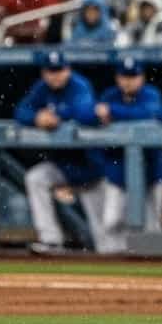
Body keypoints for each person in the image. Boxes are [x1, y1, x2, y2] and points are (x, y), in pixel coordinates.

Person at [14, 50, 107, 254]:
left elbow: (85, 113)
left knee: (107, 242)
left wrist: (56, 115)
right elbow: (21, 111)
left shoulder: (79, 85)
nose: (55, 75)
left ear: (68, 70)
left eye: (60, 70)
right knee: (35, 178)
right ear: (44, 73)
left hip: (93, 169)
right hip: (65, 167)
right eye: (51, 71)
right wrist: (36, 117)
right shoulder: (42, 89)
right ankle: (51, 239)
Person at [93, 57, 162, 247]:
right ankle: (113, 267)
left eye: (133, 76)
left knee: (152, 227)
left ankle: (154, 269)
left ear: (141, 78)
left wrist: (112, 112)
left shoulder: (151, 94)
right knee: (110, 223)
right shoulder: (109, 95)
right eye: (124, 76)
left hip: (150, 173)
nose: (128, 81)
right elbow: (87, 113)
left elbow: (150, 113)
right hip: (117, 171)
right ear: (118, 78)